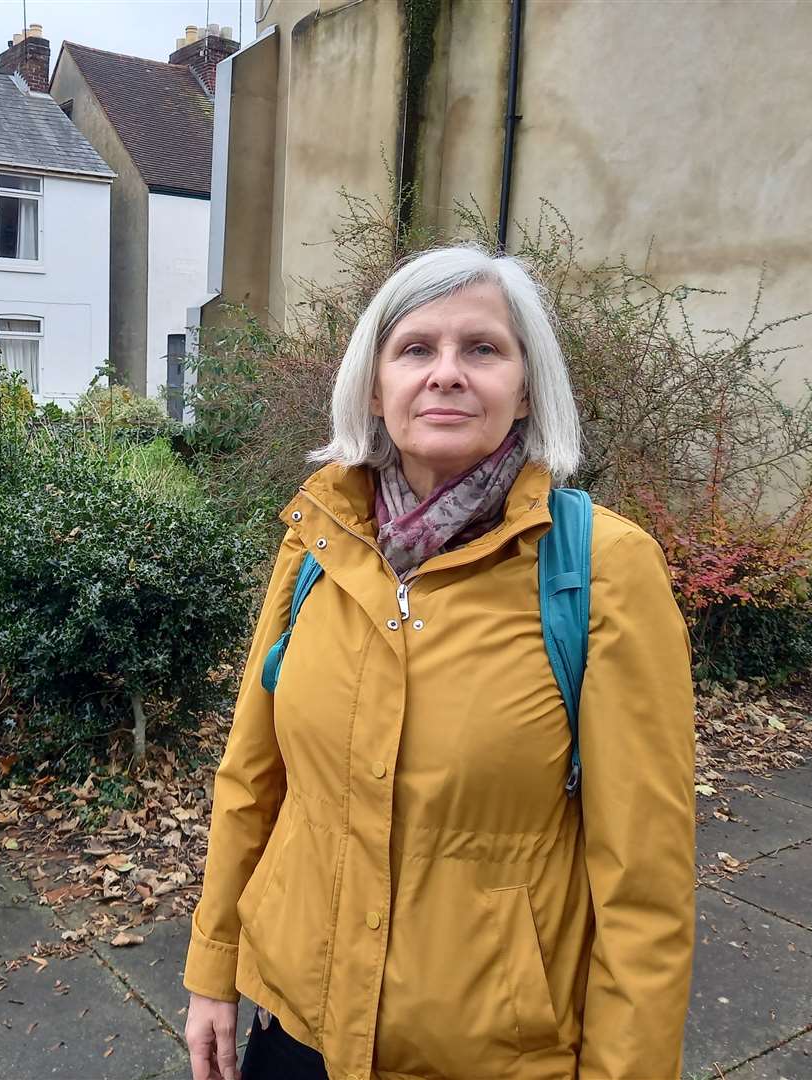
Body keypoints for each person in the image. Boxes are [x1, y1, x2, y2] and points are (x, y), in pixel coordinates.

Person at [181, 245, 696, 1080]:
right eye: (416, 348)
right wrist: (213, 968)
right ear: (375, 385)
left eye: (482, 349)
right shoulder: (318, 543)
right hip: (298, 1031)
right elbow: (253, 778)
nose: (447, 374)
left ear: (526, 387)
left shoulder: (604, 567)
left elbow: (645, 882)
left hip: (488, 1054)